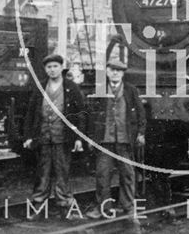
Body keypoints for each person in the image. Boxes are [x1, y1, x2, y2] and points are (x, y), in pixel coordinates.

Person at [23, 53, 86, 218]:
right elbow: (31, 113)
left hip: (62, 138)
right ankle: (38, 206)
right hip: (43, 137)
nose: (52, 70)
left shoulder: (72, 87)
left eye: (55, 66)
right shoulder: (40, 87)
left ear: (61, 68)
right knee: (42, 173)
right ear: (45, 69)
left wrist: (79, 138)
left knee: (61, 172)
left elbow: (80, 114)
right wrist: (29, 136)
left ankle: (66, 207)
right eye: (49, 67)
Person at [87, 59, 146, 219]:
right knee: (102, 174)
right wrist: (91, 137)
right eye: (112, 70)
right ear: (107, 71)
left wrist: (141, 133)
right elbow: (91, 115)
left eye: (118, 71)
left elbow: (141, 112)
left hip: (125, 140)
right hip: (105, 140)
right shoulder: (99, 90)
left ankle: (127, 207)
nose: (115, 73)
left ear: (122, 73)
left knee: (127, 174)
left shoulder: (131, 90)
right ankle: (103, 208)